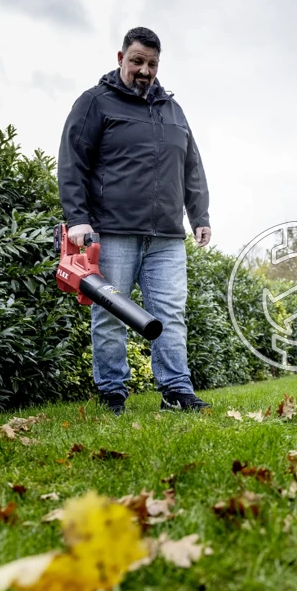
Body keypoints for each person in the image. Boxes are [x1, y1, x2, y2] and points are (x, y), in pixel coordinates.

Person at [58, 27, 211, 415]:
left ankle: (176, 391)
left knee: (171, 315)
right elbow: (73, 162)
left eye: (152, 64)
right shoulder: (95, 103)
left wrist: (200, 215)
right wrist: (77, 218)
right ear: (120, 58)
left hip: (166, 237)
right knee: (110, 315)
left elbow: (191, 165)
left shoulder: (173, 110)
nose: (144, 70)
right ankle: (113, 393)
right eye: (137, 61)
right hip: (113, 232)